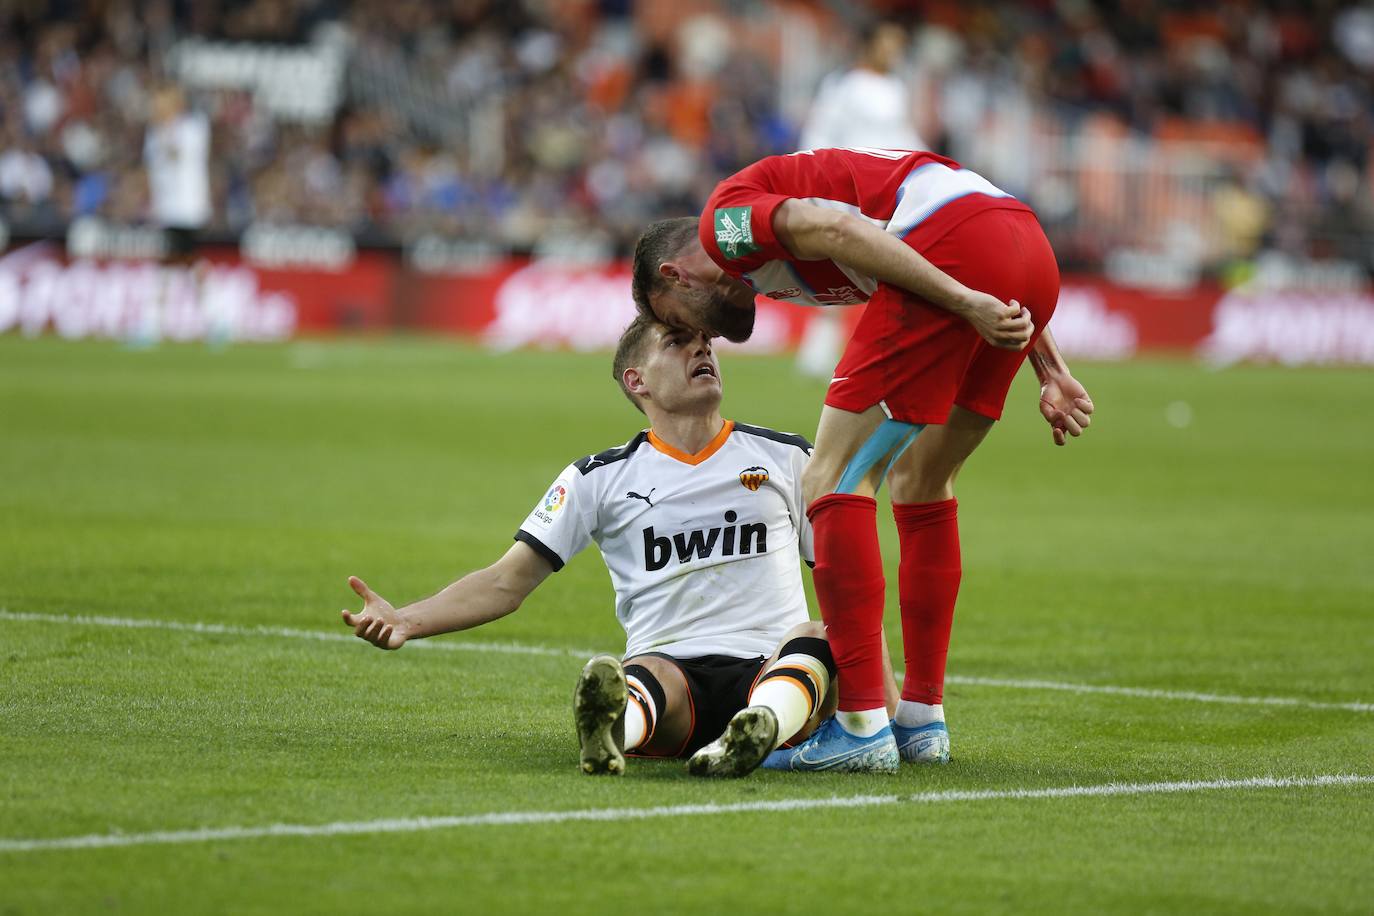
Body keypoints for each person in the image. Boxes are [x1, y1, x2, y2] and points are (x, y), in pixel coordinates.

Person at [631, 146, 1095, 773]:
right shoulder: (768, 272)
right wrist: (1052, 370)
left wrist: (963, 300)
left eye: (680, 325)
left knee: (830, 478)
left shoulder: (724, 229)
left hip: (957, 247)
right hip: (1024, 247)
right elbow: (967, 245)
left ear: (674, 276)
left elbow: (837, 228)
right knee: (924, 483)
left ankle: (861, 728)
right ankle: (921, 719)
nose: (703, 340)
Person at [340, 315, 896, 778]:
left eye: (704, 341)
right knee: (645, 673)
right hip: (674, 675)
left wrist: (882, 705)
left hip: (773, 664)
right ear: (637, 381)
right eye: (677, 343)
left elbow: (847, 585)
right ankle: (611, 734)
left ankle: (754, 729)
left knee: (819, 634)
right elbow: (506, 582)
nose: (701, 348)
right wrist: (407, 621)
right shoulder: (597, 478)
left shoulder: (788, 458)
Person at [794, 20, 928, 380]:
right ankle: (818, 354)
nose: (894, 51)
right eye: (888, 43)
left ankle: (883, 355)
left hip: (889, 191)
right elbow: (819, 132)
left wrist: (932, 165)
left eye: (898, 45)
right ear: (870, 45)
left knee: (887, 273)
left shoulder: (897, 87)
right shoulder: (844, 85)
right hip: (850, 192)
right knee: (842, 271)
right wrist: (811, 182)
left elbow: (904, 136)